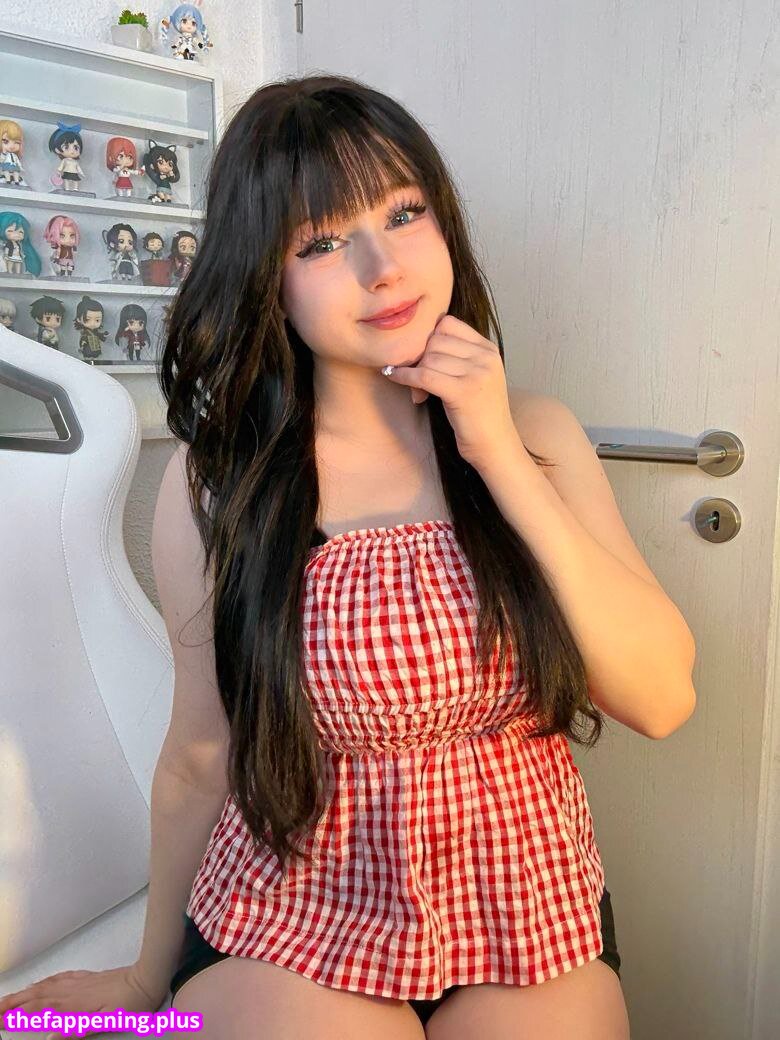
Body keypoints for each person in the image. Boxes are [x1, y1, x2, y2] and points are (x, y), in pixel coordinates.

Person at [0, 74, 697, 1039]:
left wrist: (496, 453)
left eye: (404, 213)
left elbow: (659, 699)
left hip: (524, 903)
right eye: (321, 242)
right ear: (266, 277)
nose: (383, 267)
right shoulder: (223, 484)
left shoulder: (537, 435)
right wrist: (141, 983)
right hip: (292, 912)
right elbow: (201, 755)